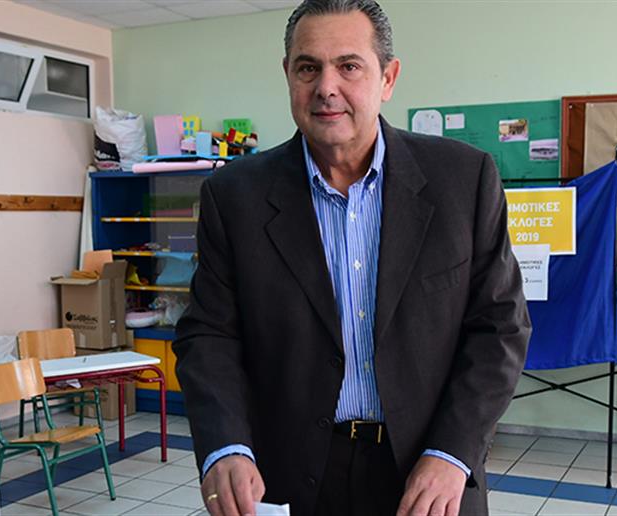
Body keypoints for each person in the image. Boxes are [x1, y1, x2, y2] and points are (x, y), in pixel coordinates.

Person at [173, 1, 530, 514]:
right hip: (290, 475)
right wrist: (225, 445)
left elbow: (500, 327)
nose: (326, 87)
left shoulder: (462, 180)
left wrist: (453, 452)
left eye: (349, 66)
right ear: (288, 75)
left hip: (428, 472)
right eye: (308, 67)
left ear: (388, 78)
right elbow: (209, 334)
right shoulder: (234, 196)